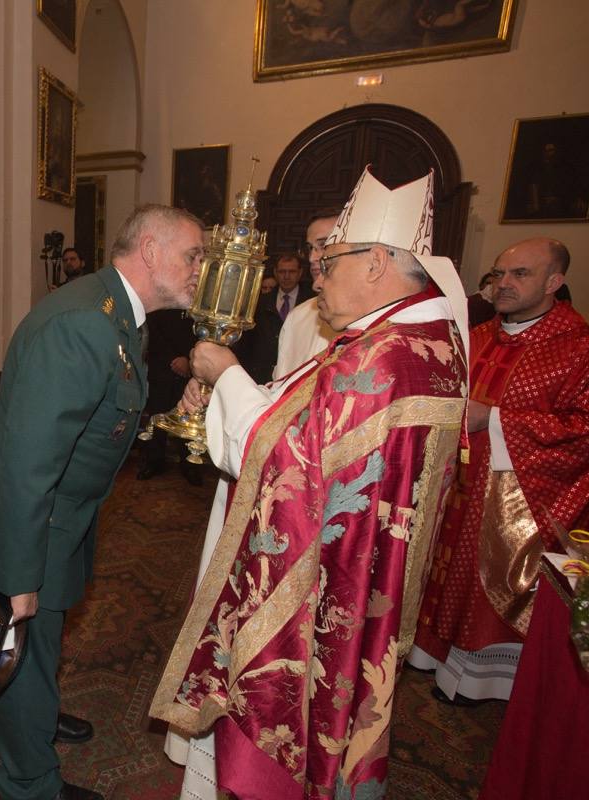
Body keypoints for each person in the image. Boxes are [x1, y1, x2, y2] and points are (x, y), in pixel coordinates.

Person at [153, 167, 470, 800]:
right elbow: (312, 410)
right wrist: (230, 392)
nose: (317, 275)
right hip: (364, 567)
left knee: (300, 716)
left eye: (330, 261)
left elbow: (291, 459)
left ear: (376, 262)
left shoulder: (383, 354)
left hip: (327, 584)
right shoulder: (418, 338)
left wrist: (227, 372)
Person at [0, 204, 205, 800]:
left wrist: (168, 415)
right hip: (24, 525)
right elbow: (30, 464)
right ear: (152, 250)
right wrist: (18, 576)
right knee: (21, 660)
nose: (199, 269)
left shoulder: (117, 312)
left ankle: (36, 719)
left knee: (41, 651)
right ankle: (29, 783)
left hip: (57, 517)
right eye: (193, 256)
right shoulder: (86, 323)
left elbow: (99, 419)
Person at [410, 237, 589, 703]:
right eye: (499, 273)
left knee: (482, 582)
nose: (503, 283)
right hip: (453, 487)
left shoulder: (582, 350)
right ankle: (426, 652)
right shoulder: (477, 336)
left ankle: (478, 678)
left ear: (554, 282)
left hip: (513, 500)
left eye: (520, 274)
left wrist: (495, 420)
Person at [137, 308, 202, 485]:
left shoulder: (197, 302)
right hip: (162, 366)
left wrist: (188, 360)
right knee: (157, 415)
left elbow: (201, 332)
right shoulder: (162, 302)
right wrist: (172, 359)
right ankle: (154, 461)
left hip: (191, 369)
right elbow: (152, 329)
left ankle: (189, 465)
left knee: (188, 416)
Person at [273, 210, 340, 379]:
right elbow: (281, 383)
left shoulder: (379, 321)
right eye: (310, 248)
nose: (311, 257)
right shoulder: (297, 316)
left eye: (323, 245)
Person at [233, 253, 315, 383]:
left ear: (300, 273)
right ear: (275, 273)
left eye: (292, 272)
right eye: (282, 272)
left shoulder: (312, 303)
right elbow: (248, 343)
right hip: (263, 376)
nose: (286, 276)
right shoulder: (259, 303)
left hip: (297, 372)